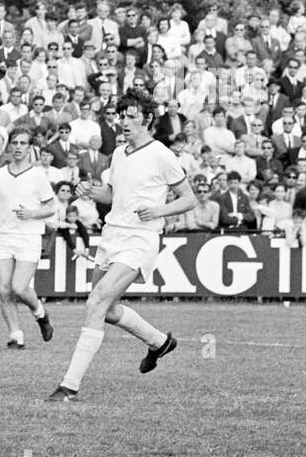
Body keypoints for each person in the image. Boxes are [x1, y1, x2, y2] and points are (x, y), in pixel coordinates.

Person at [47, 88, 195, 402]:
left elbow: (188, 199)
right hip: (112, 233)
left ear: (148, 119)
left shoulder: (161, 154)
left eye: (131, 117)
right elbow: (112, 195)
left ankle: (69, 386)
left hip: (140, 238)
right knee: (107, 308)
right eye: (121, 116)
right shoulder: (118, 152)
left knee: (97, 302)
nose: (124, 122)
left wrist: (158, 210)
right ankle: (158, 342)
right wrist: (89, 191)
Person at [0, 125, 55, 349]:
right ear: (9, 146)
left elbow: (51, 207)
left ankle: (40, 313)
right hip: (3, 234)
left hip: (28, 236)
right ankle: (16, 334)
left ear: (29, 147)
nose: (18, 147)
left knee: (19, 287)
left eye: (23, 143)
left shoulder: (38, 175)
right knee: (4, 289)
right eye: (15, 143)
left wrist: (32, 213)